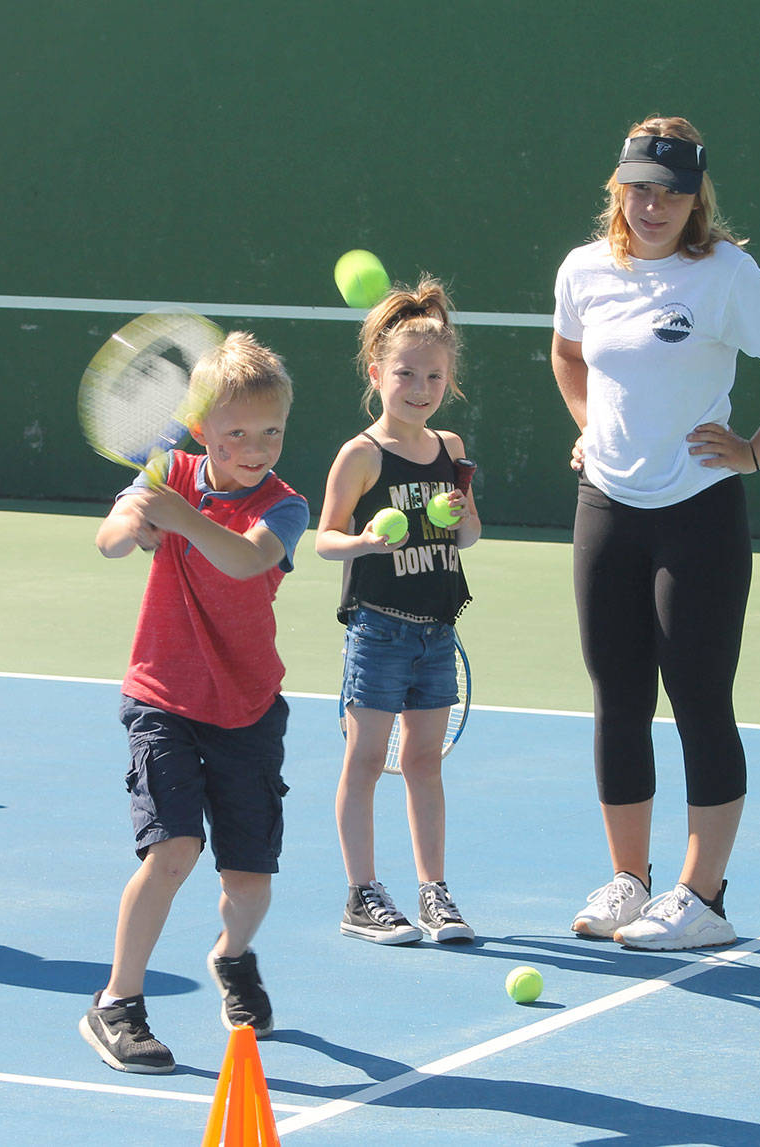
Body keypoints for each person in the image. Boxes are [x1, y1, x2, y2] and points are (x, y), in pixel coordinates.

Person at [551, 115, 760, 951]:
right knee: (618, 700)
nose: (654, 205)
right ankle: (629, 882)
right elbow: (568, 356)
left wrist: (753, 453)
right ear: (620, 189)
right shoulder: (583, 271)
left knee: (699, 700)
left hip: (699, 514)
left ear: (695, 199)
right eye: (641, 188)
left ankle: (703, 897)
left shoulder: (724, 275)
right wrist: (589, 421)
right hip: (604, 505)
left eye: (672, 192)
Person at [79, 331, 308, 1073]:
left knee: (249, 884)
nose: (255, 446)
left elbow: (245, 561)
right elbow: (110, 539)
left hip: (247, 707)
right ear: (202, 428)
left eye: (270, 430)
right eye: (237, 431)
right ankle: (118, 1003)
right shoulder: (166, 471)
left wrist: (179, 519)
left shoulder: (287, 506)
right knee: (173, 850)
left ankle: (233, 956)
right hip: (163, 697)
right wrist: (134, 524)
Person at [315, 276, 481, 946]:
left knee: (424, 761)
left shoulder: (451, 450)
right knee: (365, 759)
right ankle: (363, 893)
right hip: (378, 627)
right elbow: (325, 537)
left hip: (437, 629)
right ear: (377, 372)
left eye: (434, 376)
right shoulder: (360, 454)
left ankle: (434, 892)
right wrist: (363, 540)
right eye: (406, 373)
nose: (420, 387)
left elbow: (466, 535)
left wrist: (466, 516)